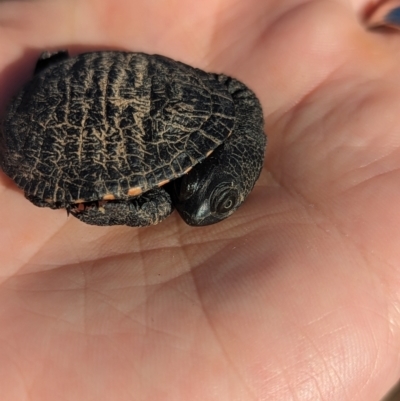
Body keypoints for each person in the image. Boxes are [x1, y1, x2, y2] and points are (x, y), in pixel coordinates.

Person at [0, 1, 399, 400]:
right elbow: (157, 199)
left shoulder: (222, 102)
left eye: (222, 203)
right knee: (155, 205)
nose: (197, 213)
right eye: (220, 199)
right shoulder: (221, 109)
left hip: (67, 82)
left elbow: (235, 97)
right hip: (54, 129)